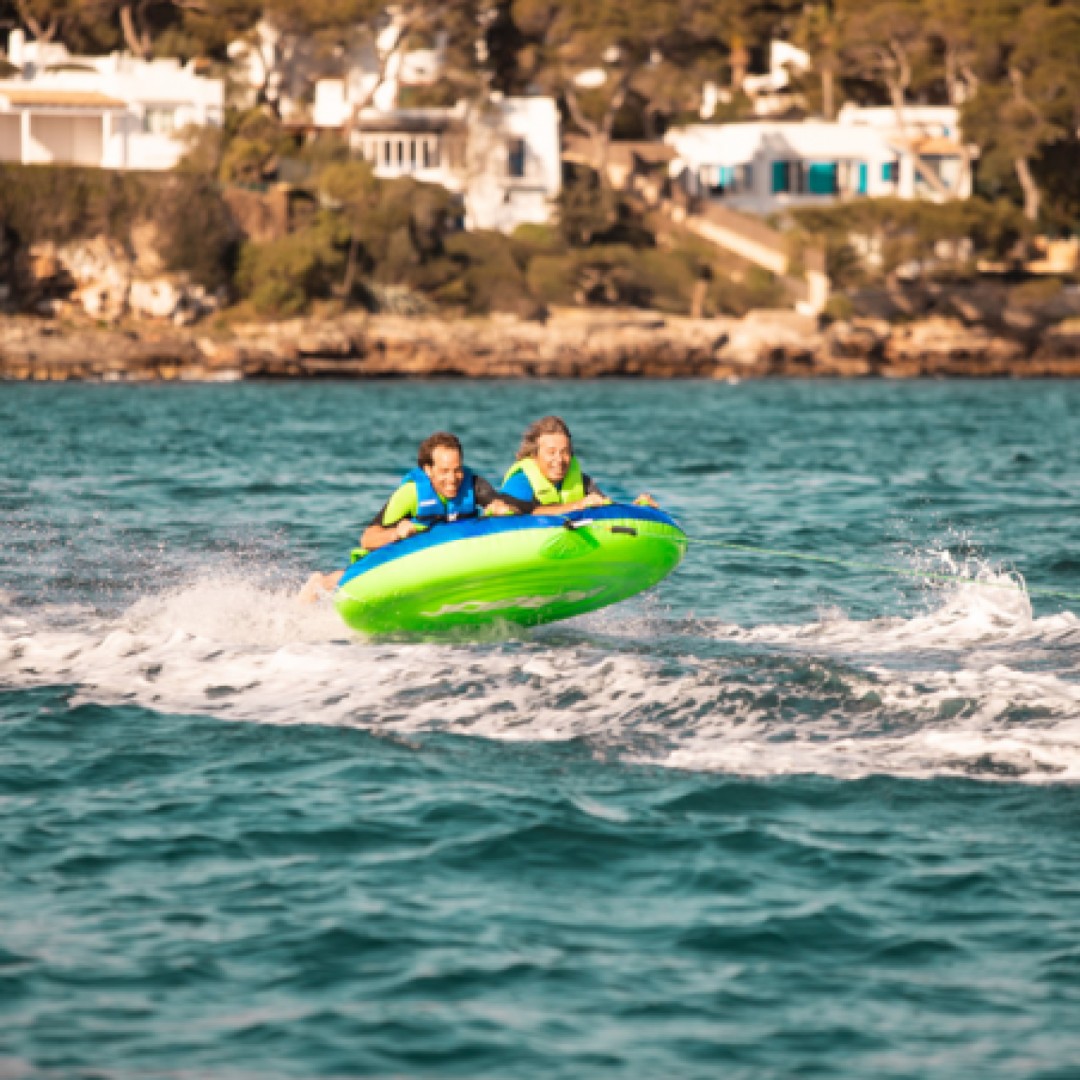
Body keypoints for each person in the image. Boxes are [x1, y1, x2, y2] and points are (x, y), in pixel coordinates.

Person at [299, 431, 528, 602]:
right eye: (444, 471)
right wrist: (396, 533)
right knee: (344, 578)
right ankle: (321, 582)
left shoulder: (473, 485)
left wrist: (500, 509)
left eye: (457, 469)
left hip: (445, 560)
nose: (453, 478)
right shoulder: (411, 494)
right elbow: (367, 538)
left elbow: (499, 504)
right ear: (428, 469)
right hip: (402, 558)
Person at [500, 415, 656, 513]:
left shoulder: (582, 482)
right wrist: (578, 505)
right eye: (551, 452)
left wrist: (637, 508)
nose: (559, 460)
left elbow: (608, 509)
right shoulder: (520, 481)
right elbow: (522, 512)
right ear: (534, 456)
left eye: (565, 452)